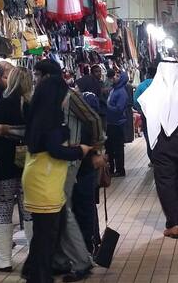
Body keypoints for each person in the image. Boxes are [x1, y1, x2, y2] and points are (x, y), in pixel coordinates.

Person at [21, 59, 93, 283]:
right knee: (47, 235)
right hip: (46, 181)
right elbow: (55, 150)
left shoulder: (38, 117)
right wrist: (81, 151)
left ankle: (34, 270)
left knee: (49, 230)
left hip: (40, 178)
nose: (66, 98)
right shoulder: (51, 120)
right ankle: (40, 277)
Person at [139, 58, 178, 239]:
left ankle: (173, 222)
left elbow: (143, 108)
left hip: (162, 144)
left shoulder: (154, 91)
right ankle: (176, 215)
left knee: (166, 181)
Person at [51, 86, 105, 282]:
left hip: (80, 161)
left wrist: (98, 150)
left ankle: (86, 253)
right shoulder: (54, 104)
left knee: (80, 207)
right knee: (75, 207)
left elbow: (94, 120)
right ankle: (77, 255)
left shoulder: (72, 98)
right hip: (75, 161)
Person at [0, 66, 33, 273]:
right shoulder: (31, 106)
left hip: (4, 163)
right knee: (29, 210)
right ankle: (33, 257)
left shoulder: (2, 105)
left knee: (4, 209)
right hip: (28, 165)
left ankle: (4, 258)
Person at [72, 91, 106, 253]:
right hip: (87, 170)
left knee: (85, 208)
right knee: (89, 206)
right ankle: (93, 242)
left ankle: (89, 244)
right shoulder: (93, 125)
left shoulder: (81, 125)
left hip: (83, 171)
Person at [105, 70, 131, 177]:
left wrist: (107, 107)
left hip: (117, 124)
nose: (114, 78)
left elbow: (119, 109)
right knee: (110, 147)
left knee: (118, 148)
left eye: (117, 76)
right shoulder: (114, 90)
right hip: (111, 123)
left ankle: (120, 170)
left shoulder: (121, 92)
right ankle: (112, 169)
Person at [133, 65, 157, 162]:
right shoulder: (160, 84)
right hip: (158, 115)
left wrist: (140, 110)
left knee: (148, 136)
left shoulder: (141, 86)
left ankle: (152, 159)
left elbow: (135, 101)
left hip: (146, 115)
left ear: (147, 74)